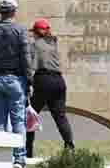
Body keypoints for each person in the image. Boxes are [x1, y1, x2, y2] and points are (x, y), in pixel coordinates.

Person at [0, 0, 31, 168]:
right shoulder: (20, 30)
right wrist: (30, 79)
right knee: (18, 120)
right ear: (14, 11)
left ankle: (0, 158)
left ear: (0, 11)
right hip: (15, 79)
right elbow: (26, 57)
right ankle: (19, 159)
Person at [25, 18, 75, 156]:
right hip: (59, 80)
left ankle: (28, 151)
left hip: (43, 80)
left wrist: (28, 83)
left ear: (35, 33)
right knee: (60, 116)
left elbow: (31, 67)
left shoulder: (35, 45)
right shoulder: (53, 44)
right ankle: (70, 146)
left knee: (31, 115)